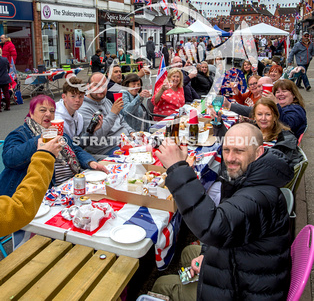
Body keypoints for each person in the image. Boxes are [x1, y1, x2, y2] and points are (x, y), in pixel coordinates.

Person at [153, 123, 293, 300]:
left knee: (161, 284)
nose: (230, 158)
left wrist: (177, 168)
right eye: (226, 150)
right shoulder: (253, 176)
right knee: (188, 253)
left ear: (258, 152)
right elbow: (226, 220)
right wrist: (205, 254)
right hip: (244, 264)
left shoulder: (259, 197)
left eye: (239, 151)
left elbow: (213, 227)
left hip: (243, 290)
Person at [0, 95, 107, 197]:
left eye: (52, 111)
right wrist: (41, 139)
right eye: (42, 110)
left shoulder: (58, 133)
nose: (48, 114)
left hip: (68, 187)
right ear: (31, 113)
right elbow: (10, 159)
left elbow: (76, 149)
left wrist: (90, 162)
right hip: (36, 195)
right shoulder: (20, 134)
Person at [0, 139, 62, 236]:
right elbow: (18, 210)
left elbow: (77, 150)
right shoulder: (19, 135)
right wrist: (45, 155)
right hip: (31, 204)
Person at [78, 72, 134, 157]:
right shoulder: (83, 108)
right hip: (108, 149)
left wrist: (131, 132)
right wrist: (113, 113)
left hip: (126, 141)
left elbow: (121, 120)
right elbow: (95, 138)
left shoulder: (105, 100)